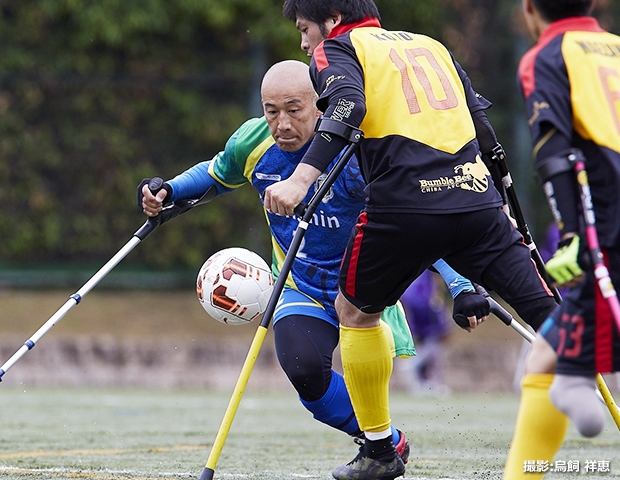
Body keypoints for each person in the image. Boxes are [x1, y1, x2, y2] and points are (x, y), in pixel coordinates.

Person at [138, 59, 484, 467]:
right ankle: (385, 441)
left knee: (368, 365)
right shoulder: (253, 143)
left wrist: (463, 286)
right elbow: (216, 174)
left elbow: (418, 223)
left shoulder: (358, 153)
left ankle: (378, 436)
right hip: (299, 283)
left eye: (293, 109)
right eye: (271, 111)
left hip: (364, 288)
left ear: (321, 105)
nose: (281, 123)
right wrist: (168, 190)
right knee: (303, 368)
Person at [264, 2, 559, 479]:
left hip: (403, 208)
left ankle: (379, 453)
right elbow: (482, 127)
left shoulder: (338, 48)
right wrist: (502, 200)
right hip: (476, 200)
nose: (304, 43)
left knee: (356, 312)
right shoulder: (432, 45)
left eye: (304, 29)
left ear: (332, 19)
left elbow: (346, 106)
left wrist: (301, 181)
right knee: (554, 317)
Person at [504, 1, 620, 477]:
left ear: (530, 8)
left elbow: (554, 153)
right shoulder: (614, 47)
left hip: (608, 223)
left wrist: (572, 234)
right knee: (547, 356)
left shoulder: (546, 55)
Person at [398, 269, 452, 395]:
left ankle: (424, 381)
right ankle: (418, 368)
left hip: (411, 300)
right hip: (426, 301)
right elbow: (437, 277)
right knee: (439, 335)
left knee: (424, 338)